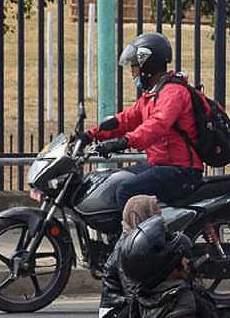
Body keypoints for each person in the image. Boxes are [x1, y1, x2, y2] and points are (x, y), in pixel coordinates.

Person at [82, 33, 203, 210]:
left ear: (149, 65)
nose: (133, 73)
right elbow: (125, 119)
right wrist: (91, 135)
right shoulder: (154, 94)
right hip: (161, 165)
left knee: (125, 190)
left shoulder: (173, 92)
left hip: (181, 170)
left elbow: (157, 125)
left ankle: (133, 236)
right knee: (112, 180)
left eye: (135, 66)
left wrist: (125, 141)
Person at [98, 194, 160, 318]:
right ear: (142, 215)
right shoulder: (127, 248)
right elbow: (133, 294)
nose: (160, 218)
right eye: (155, 213)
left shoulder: (148, 242)